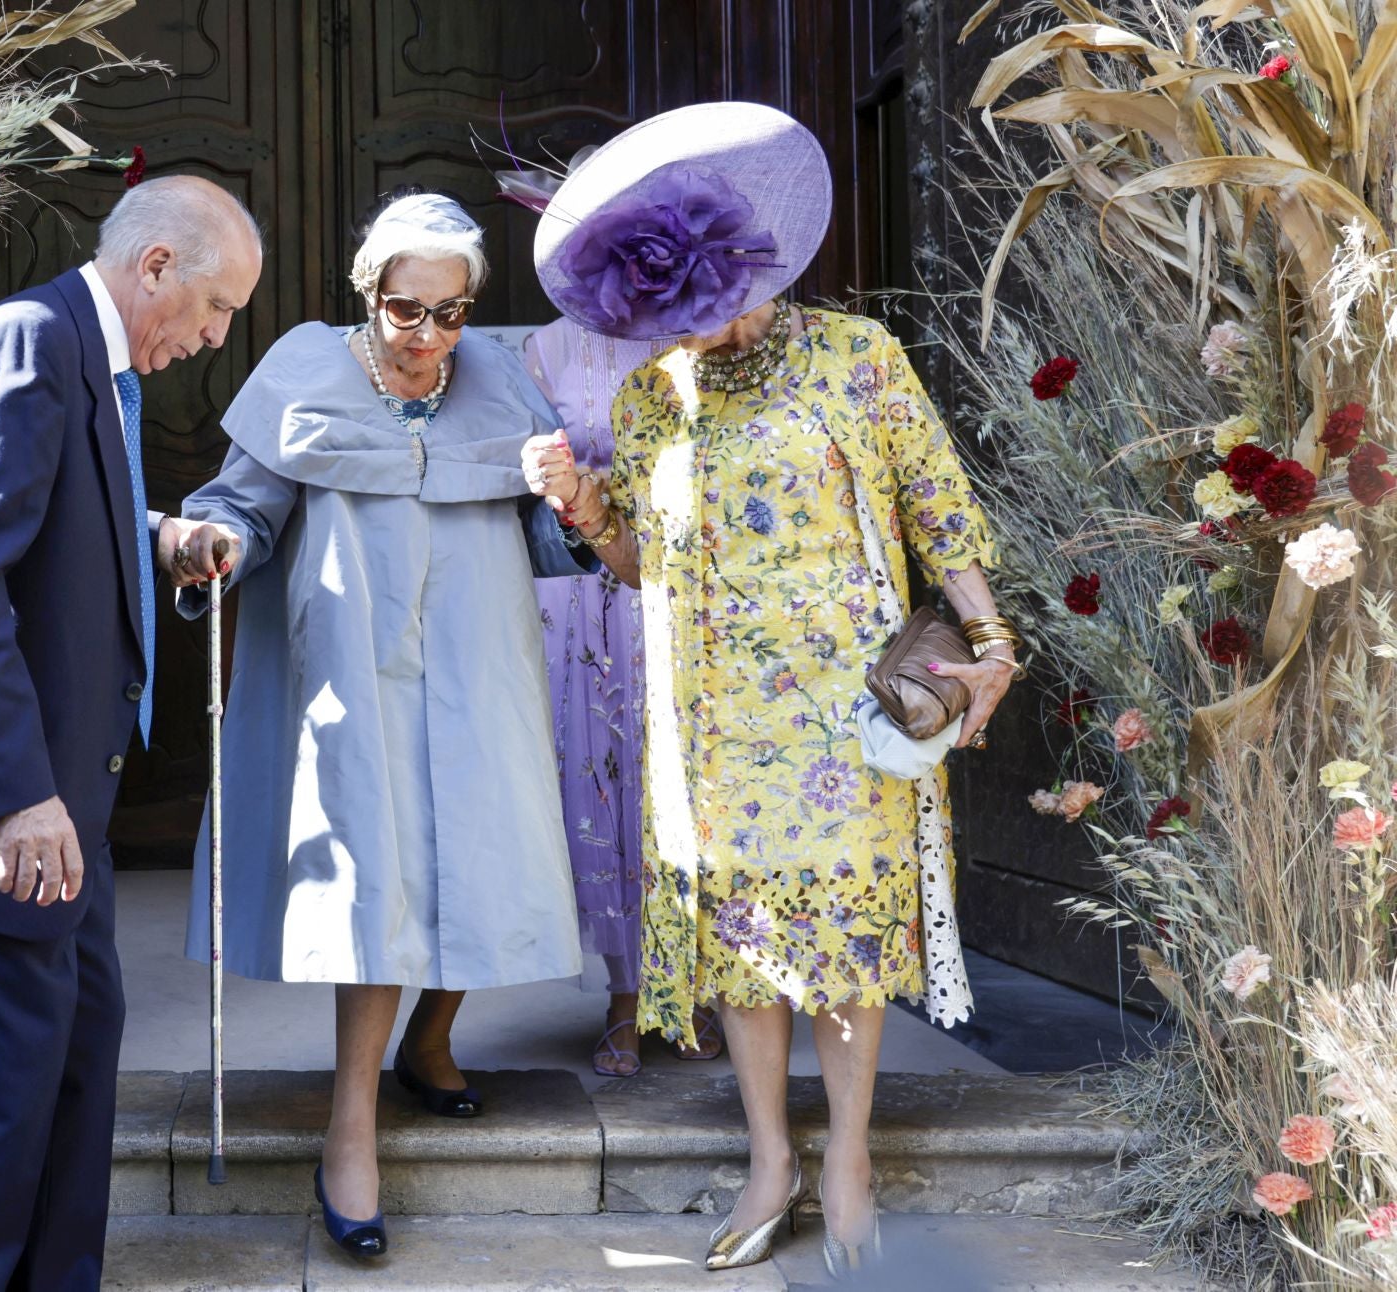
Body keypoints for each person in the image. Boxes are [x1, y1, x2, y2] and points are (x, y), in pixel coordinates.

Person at [522, 103, 1021, 1278]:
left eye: (717, 302)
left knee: (844, 934)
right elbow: (648, 561)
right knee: (742, 939)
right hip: (710, 714)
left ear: (755, 260)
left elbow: (939, 513)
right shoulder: (654, 398)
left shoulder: (860, 360)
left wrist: (991, 643)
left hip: (846, 711)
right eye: (679, 317)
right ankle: (769, 1155)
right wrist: (587, 512)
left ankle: (845, 1155)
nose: (705, 330)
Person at [0, 176, 262, 1291]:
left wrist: (162, 539)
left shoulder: (88, 356)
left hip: (72, 822)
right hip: (0, 829)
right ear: (157, 266)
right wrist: (17, 793)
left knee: (63, 1125)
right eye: (216, 311)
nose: (213, 340)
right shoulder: (28, 344)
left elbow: (52, 522)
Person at [157, 191, 589, 1261]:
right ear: (369, 294)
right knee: (375, 883)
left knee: (478, 857)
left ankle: (430, 1042)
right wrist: (208, 541)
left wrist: (569, 499)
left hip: (477, 665)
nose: (431, 337)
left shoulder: (500, 382)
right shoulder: (307, 368)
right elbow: (243, 508)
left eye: (452, 314)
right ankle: (350, 1129)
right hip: (351, 666)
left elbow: (553, 538)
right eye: (409, 311)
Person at [522, 317, 723, 1075]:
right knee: (604, 782)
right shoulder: (544, 348)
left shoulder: (704, 332)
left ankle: (695, 982)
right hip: (583, 588)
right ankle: (625, 996)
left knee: (684, 781)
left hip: (684, 578)